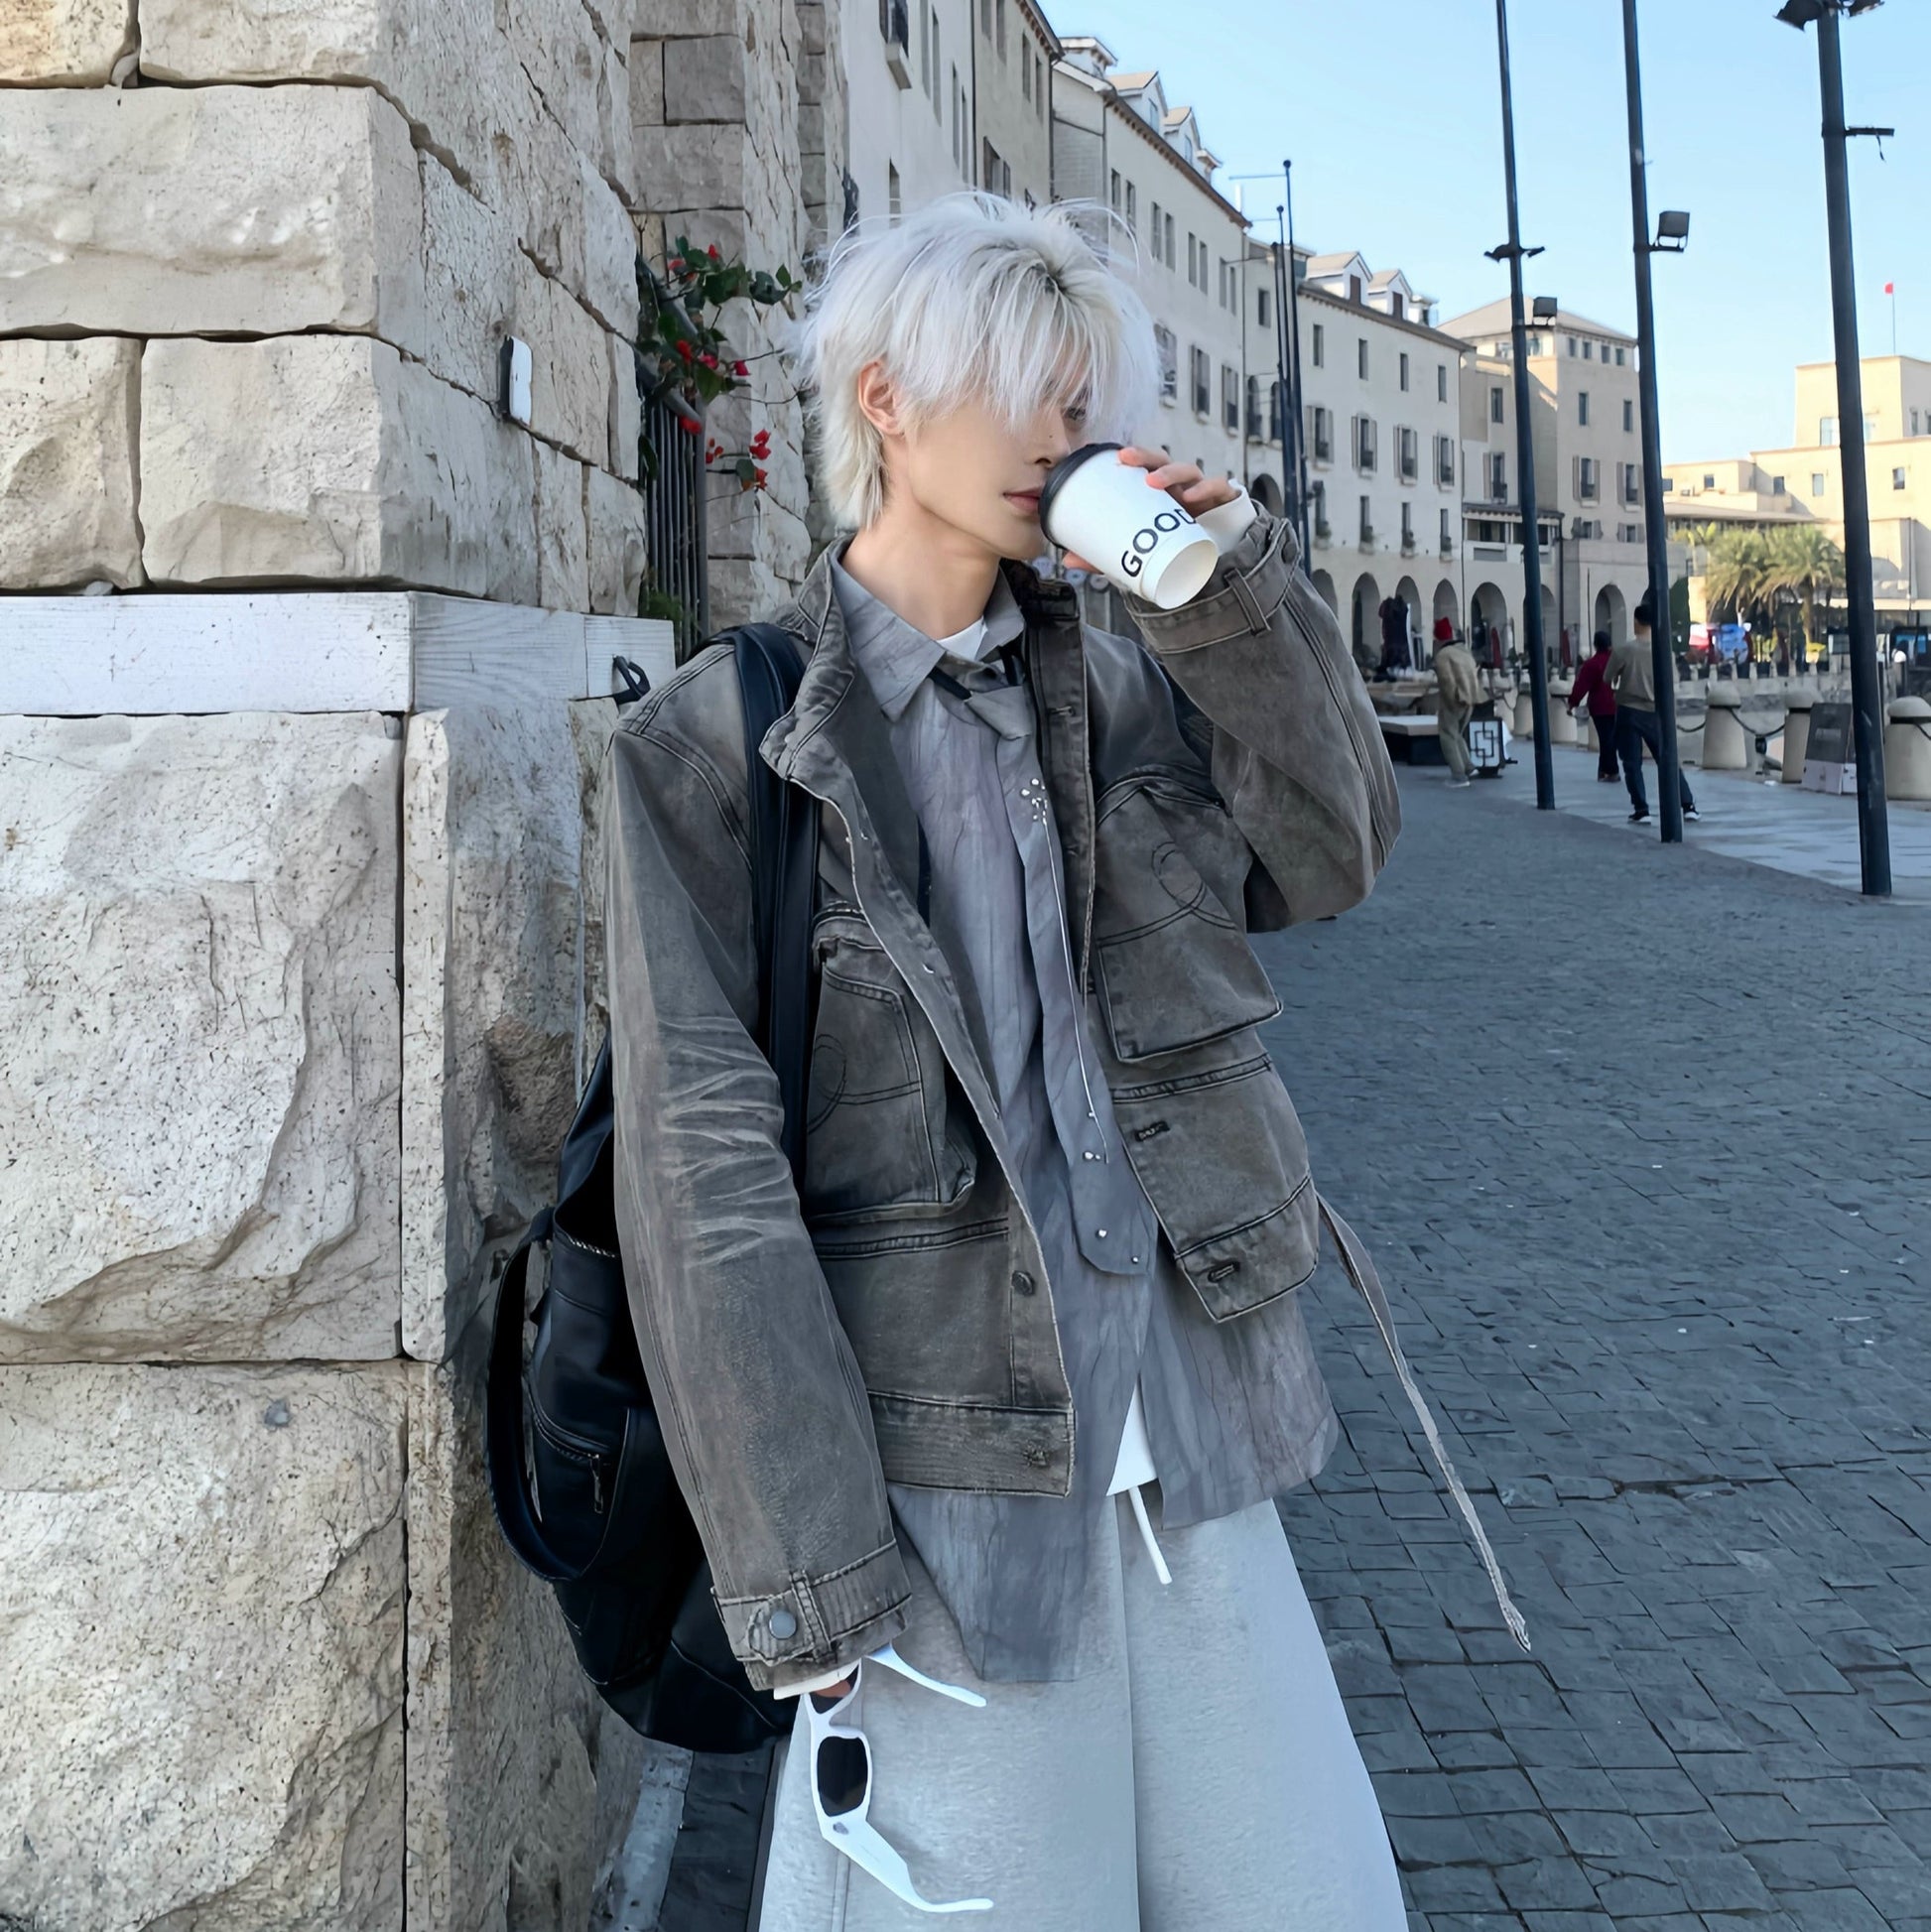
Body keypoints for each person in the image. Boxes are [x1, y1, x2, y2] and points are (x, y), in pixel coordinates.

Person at [601, 193, 1520, 1932]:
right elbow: (699, 1173)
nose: (1061, 433)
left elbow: (1331, 851)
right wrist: (809, 1565)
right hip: (945, 1494)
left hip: (1192, 1433)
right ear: (884, 401)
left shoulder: (1131, 683)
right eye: (1023, 385)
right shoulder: (719, 742)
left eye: (1083, 397)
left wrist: (1232, 592)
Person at [1609, 602, 1699, 825]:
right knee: (1667, 759)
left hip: (1629, 710)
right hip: (1656, 711)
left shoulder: (1624, 650)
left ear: (1636, 622)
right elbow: (1672, 681)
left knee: (1632, 763)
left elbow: (1607, 677)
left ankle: (1642, 809)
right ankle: (1688, 805)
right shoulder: (1664, 650)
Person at [1567, 629, 1619, 782]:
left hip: (1599, 707)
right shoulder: (1617, 661)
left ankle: (1610, 770)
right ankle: (1605, 770)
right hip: (1618, 704)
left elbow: (1581, 686)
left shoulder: (1591, 664)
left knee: (1605, 738)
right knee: (1610, 738)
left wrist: (1572, 703)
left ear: (1595, 645)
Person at [1432, 624, 1480, 787]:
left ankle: (1459, 775)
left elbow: (1446, 680)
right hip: (1471, 698)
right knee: (1457, 734)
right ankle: (1469, 767)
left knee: (1447, 735)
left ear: (1438, 639)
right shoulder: (1464, 651)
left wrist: (1449, 701)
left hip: (1455, 699)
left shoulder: (1443, 655)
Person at [1377, 593, 1411, 678]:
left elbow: (1381, 614)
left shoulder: (1388, 611)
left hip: (1392, 642)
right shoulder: (1402, 610)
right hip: (1400, 642)